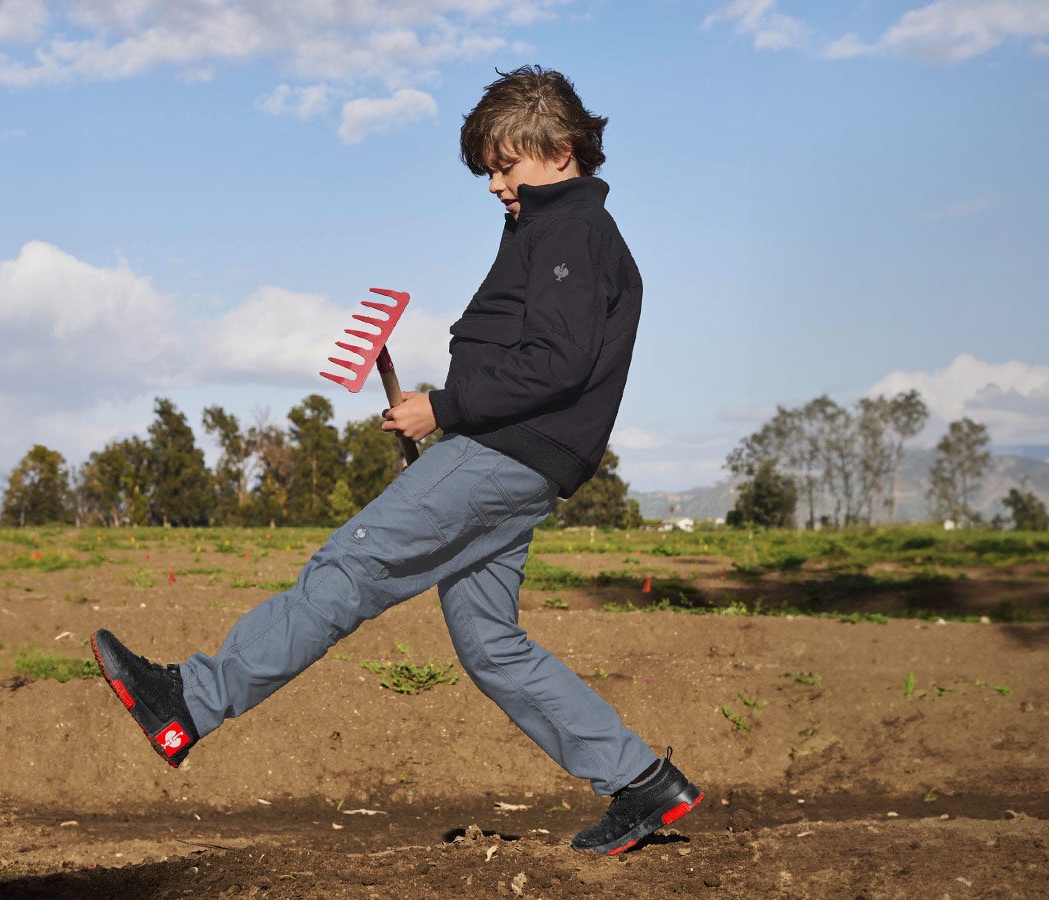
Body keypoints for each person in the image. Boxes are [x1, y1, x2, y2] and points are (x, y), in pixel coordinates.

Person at [92, 65, 699, 856]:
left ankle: (189, 704)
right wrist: (444, 407)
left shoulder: (571, 230)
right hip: (517, 458)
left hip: (502, 455)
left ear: (556, 150)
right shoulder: (548, 227)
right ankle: (640, 782)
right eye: (486, 171)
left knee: (352, 565)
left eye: (503, 167)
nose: (493, 185)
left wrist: (447, 407)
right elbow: (533, 354)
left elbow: (559, 361)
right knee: (489, 640)